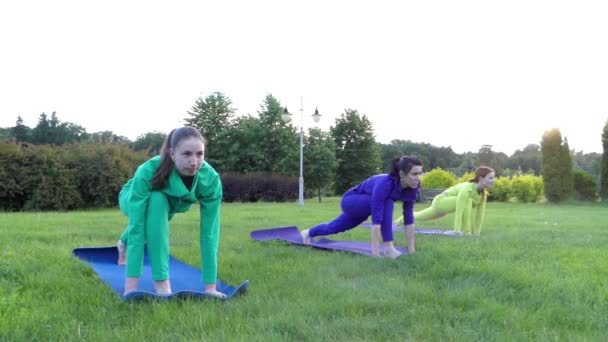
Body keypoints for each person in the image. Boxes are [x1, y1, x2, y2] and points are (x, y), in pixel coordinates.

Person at [116, 126, 226, 298]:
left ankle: (122, 243)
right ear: (172, 153)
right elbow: (137, 227)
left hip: (173, 201)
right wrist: (131, 288)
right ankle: (161, 283)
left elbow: (210, 233)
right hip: (133, 197)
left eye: (200, 154)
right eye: (187, 154)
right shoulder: (148, 170)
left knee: (156, 215)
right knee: (156, 201)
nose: (194, 162)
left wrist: (210, 288)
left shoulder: (210, 179)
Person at [300, 156, 423, 259]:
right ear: (402, 174)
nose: (418, 178)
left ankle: (307, 232)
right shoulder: (385, 184)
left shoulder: (414, 186)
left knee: (335, 227)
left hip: (364, 207)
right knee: (388, 201)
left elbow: (409, 219)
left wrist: (412, 251)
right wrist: (375, 254)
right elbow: (376, 220)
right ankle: (388, 248)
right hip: (351, 201)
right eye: (414, 174)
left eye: (420, 173)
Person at [394, 166, 496, 235]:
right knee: (467, 201)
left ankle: (400, 220)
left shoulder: (483, 194)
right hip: (440, 201)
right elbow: (459, 210)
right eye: (490, 178)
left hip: (446, 207)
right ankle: (466, 232)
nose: (493, 180)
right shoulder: (467, 189)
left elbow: (480, 215)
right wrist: (459, 232)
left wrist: (477, 235)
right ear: (481, 178)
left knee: (420, 216)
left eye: (493, 178)